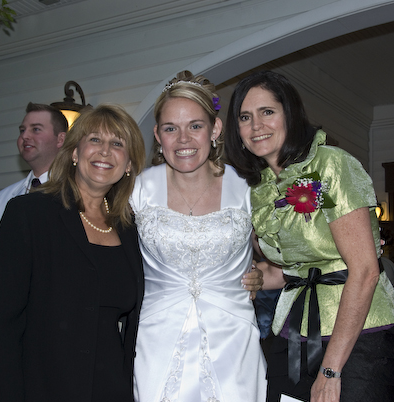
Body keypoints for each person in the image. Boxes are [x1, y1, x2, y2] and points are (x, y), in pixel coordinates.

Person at [225, 70, 394, 402]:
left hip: (360, 337)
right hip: (294, 332)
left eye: (267, 112)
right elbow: (286, 271)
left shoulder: (332, 164)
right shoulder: (258, 189)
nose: (256, 126)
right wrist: (236, 277)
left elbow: (365, 270)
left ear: (290, 114)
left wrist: (330, 371)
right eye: (245, 117)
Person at [0, 104, 146, 402]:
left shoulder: (130, 229)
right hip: (41, 388)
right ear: (74, 153)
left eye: (117, 144)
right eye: (95, 139)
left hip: (112, 390)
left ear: (129, 164)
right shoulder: (29, 213)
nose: (105, 151)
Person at [131, 71, 267, 402]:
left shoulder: (247, 187)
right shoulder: (138, 190)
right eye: (170, 129)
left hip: (234, 342)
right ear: (157, 136)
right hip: (155, 341)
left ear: (215, 129)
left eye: (195, 126)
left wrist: (264, 273)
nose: (183, 139)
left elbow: (287, 252)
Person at [0, 102, 67, 382]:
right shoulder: (4, 198)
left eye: (36, 129)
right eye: (22, 130)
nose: (25, 136)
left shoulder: (76, 194)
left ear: (60, 139)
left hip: (58, 332)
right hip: (6, 333)